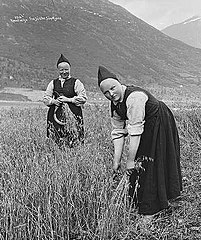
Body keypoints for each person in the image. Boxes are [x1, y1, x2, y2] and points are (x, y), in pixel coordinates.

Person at [98, 66, 182, 215]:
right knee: (141, 160)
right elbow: (118, 133)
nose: (111, 94)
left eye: (112, 88)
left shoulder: (134, 97)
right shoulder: (115, 105)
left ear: (119, 83)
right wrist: (116, 162)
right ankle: (140, 199)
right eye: (106, 93)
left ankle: (156, 204)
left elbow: (135, 131)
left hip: (159, 120)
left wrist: (129, 161)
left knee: (151, 160)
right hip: (145, 125)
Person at [43, 54, 87, 146]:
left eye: (66, 69)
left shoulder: (76, 82)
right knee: (56, 138)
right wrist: (54, 101)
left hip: (74, 115)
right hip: (55, 116)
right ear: (58, 70)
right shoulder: (53, 83)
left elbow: (83, 98)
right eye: (61, 70)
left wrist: (69, 100)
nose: (64, 72)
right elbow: (46, 98)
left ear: (70, 69)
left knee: (75, 137)